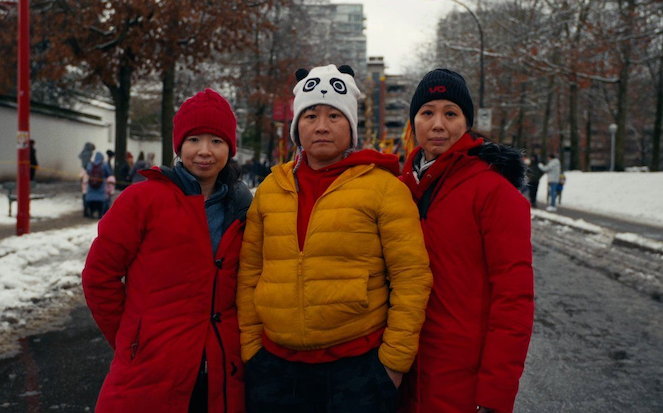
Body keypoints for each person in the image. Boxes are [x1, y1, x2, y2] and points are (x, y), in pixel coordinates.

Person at [237, 64, 433, 413]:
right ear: (298, 125)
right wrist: (252, 349)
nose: (322, 126)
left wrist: (393, 363)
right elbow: (250, 271)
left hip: (358, 372)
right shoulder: (270, 188)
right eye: (311, 116)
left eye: (335, 116)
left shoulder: (385, 188)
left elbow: (411, 276)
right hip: (275, 372)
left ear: (351, 126)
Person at [83, 88, 252, 412]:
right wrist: (133, 338)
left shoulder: (242, 209)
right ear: (179, 146)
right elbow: (98, 277)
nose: (205, 151)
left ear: (230, 149)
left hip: (222, 373)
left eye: (216, 141)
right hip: (150, 371)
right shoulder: (141, 200)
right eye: (194, 140)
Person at [399, 68, 534, 413]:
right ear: (414, 122)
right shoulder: (398, 191)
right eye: (427, 112)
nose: (438, 124)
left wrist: (495, 395)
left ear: (467, 122)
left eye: (451, 113)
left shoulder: (494, 192)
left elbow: (513, 301)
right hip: (402, 376)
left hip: (462, 383)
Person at [85, 152, 113, 218]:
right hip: (100, 186)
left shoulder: (90, 164)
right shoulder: (104, 165)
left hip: (91, 186)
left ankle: (91, 213)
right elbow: (109, 174)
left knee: (91, 200)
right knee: (100, 201)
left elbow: (88, 172)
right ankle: (100, 214)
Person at [79, 142, 95, 217]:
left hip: (82, 174)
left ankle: (85, 210)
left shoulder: (83, 153)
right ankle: (88, 210)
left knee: (84, 193)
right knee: (87, 194)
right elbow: (87, 165)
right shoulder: (88, 153)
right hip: (87, 174)